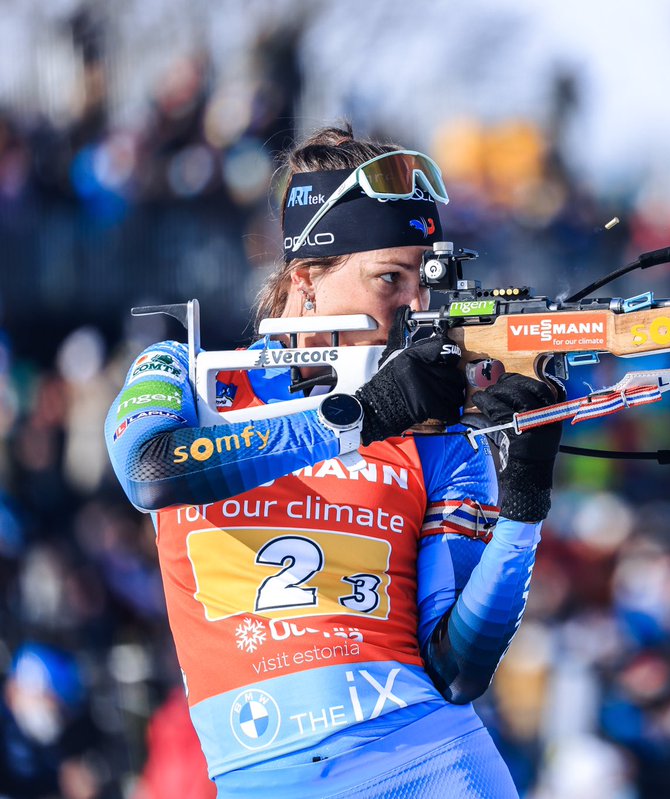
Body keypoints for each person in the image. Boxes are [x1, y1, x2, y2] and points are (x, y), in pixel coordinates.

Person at [105, 126, 562, 798]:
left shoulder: (437, 434)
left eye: (426, 278)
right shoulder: (185, 373)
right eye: (389, 278)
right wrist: (358, 417)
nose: (416, 306)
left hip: (434, 764)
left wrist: (525, 493)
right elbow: (152, 470)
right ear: (307, 278)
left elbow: (459, 666)